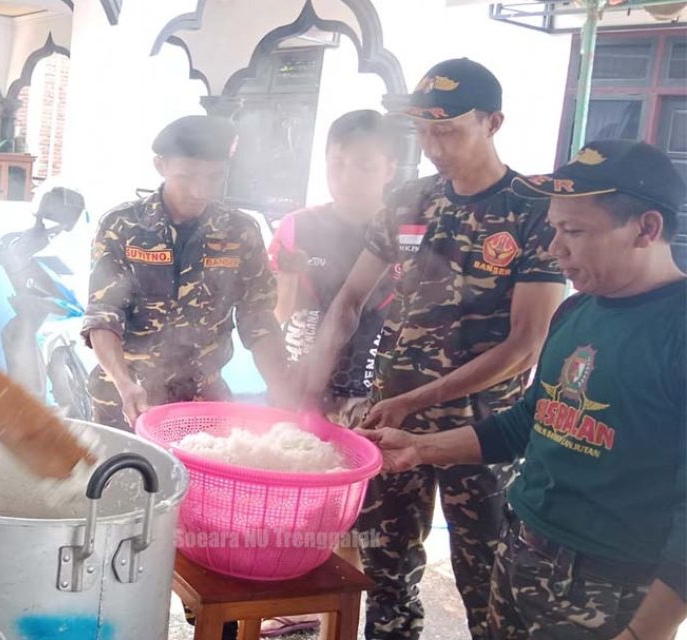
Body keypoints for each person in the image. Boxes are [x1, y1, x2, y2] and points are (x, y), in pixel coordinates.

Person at [364, 139, 687, 640]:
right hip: (521, 558)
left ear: (646, 229)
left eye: (574, 231)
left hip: (607, 591)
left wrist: (647, 632)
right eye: (555, 228)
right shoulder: (578, 312)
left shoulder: (676, 331)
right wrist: (420, 449)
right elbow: (530, 421)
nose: (556, 248)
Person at [297, 58, 566, 639]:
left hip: (481, 434)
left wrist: (419, 398)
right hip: (389, 425)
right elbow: (348, 302)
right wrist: (309, 387)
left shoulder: (534, 210)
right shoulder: (409, 201)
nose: (434, 145)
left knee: (488, 583)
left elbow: (527, 343)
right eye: (423, 130)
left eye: (448, 130)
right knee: (386, 577)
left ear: (493, 122)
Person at [262, 109, 400, 638]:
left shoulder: (412, 227)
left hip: (379, 390)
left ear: (390, 166)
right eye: (336, 163)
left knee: (364, 521)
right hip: (305, 386)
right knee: (300, 508)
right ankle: (292, 615)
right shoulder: (299, 226)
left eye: (363, 166)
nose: (346, 176)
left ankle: (341, 620)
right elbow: (279, 313)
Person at [82, 115, 288, 431]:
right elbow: (103, 315)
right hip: (126, 400)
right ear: (160, 165)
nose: (199, 191)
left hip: (204, 402)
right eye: (187, 176)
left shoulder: (240, 232)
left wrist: (281, 386)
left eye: (213, 178)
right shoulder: (121, 226)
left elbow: (257, 318)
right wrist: (125, 383)